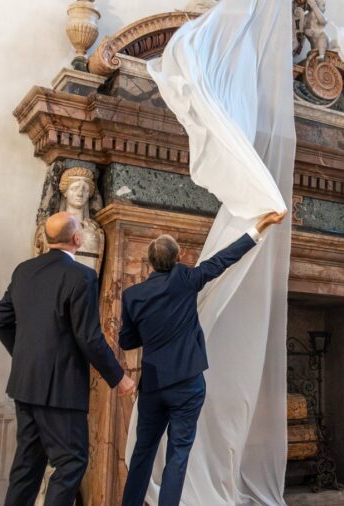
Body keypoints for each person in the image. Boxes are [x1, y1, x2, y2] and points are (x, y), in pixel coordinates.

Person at [120, 210, 286, 506]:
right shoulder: (184, 279)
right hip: (186, 383)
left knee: (143, 451)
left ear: (150, 262)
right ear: (178, 258)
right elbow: (222, 260)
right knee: (178, 454)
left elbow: (127, 340)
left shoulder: (133, 296)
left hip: (153, 384)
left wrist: (152, 331)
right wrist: (259, 227)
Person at [0, 211, 136, 506]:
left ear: (47, 238)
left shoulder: (24, 270)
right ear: (77, 239)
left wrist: (26, 355)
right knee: (71, 462)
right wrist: (119, 377)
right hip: (61, 389)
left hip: (25, 384)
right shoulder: (81, 275)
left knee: (26, 465)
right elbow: (89, 337)